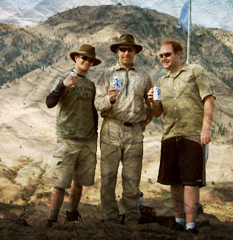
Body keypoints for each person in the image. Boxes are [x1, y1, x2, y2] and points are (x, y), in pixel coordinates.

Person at [148, 40, 215, 234]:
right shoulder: (161, 81)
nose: (163, 59)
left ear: (179, 54)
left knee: (190, 182)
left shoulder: (195, 72)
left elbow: (208, 100)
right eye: (161, 56)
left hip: (192, 135)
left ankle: (191, 224)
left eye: (167, 55)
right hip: (170, 135)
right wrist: (152, 102)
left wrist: (206, 129)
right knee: (174, 181)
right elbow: (157, 113)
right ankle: (178, 220)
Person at [95, 34, 153, 225]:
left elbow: (151, 103)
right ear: (117, 52)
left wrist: (144, 121)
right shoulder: (107, 74)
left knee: (132, 178)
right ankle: (110, 218)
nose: (126, 53)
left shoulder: (144, 76)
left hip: (135, 132)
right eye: (122, 49)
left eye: (130, 49)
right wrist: (109, 100)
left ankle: (132, 218)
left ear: (135, 52)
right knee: (108, 176)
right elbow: (97, 103)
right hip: (111, 128)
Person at [45, 44, 101, 227]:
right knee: (60, 183)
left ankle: (71, 215)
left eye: (90, 60)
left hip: (87, 140)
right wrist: (63, 85)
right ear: (76, 58)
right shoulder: (64, 79)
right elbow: (49, 102)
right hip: (67, 139)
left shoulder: (90, 85)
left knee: (79, 182)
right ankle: (52, 220)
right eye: (83, 58)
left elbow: (92, 110)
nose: (86, 62)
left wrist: (95, 134)